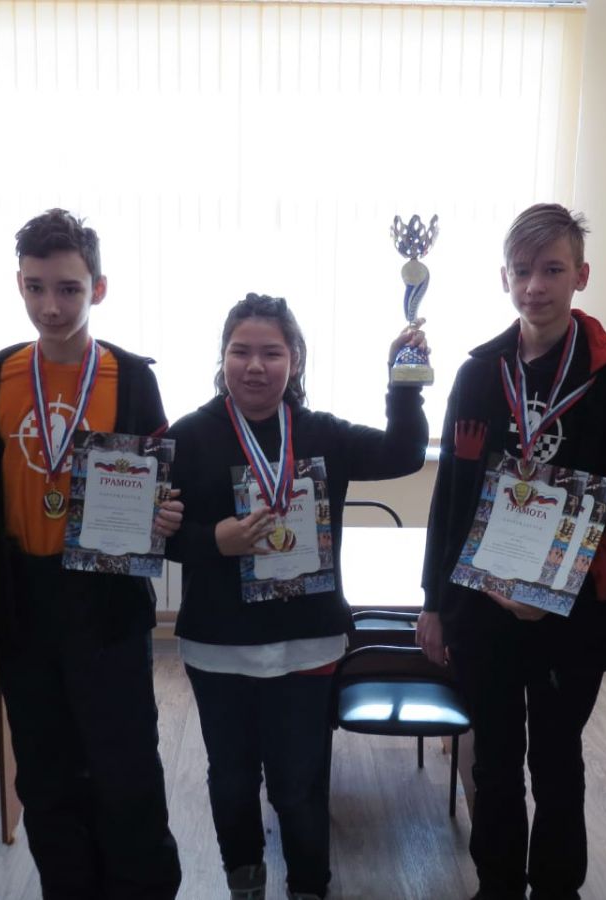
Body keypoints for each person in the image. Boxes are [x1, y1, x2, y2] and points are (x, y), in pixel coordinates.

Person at [416, 203, 606, 900]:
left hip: (571, 616)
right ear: (504, 278)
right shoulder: (477, 374)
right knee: (493, 760)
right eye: (522, 270)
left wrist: (568, 587)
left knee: (557, 762)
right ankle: (497, 886)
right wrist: (434, 602)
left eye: (552, 269)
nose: (536, 286)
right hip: (482, 610)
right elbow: (450, 498)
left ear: (581, 275)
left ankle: (557, 889)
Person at [164, 293, 428, 900]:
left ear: (295, 360)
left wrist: (404, 383)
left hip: (308, 644)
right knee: (232, 780)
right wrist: (214, 541)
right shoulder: (189, 437)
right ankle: (245, 880)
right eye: (241, 351)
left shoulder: (322, 433)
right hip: (219, 645)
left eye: (272, 353)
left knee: (299, 784)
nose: (255, 366)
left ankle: (309, 886)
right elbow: (158, 538)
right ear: (222, 357)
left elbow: (405, 453)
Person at [0, 208, 182, 899]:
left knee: (126, 767)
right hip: (22, 603)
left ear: (99, 289)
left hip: (106, 601)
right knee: (45, 772)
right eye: (35, 288)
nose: (51, 307)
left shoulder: (132, 378)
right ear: (20, 285)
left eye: (68, 289)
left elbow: (161, 486)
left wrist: (164, 514)